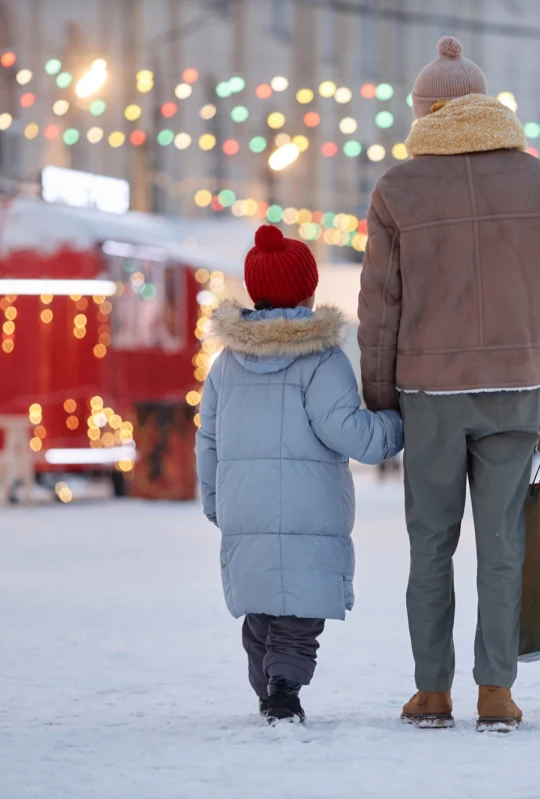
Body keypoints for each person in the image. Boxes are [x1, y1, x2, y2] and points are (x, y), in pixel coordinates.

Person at [357, 36, 540, 732]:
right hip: (516, 384)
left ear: (426, 111)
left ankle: (431, 690)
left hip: (430, 391)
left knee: (430, 543)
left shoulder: (397, 188)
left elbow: (379, 303)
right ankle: (496, 691)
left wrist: (379, 393)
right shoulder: (539, 180)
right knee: (504, 544)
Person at [197, 224, 404, 724]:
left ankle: (268, 686)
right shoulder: (320, 358)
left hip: (244, 506)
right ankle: (283, 689)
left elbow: (209, 438)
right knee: (298, 613)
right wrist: (399, 423)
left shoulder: (226, 364)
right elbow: (349, 432)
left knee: (262, 609)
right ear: (309, 291)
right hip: (310, 507)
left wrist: (214, 500)